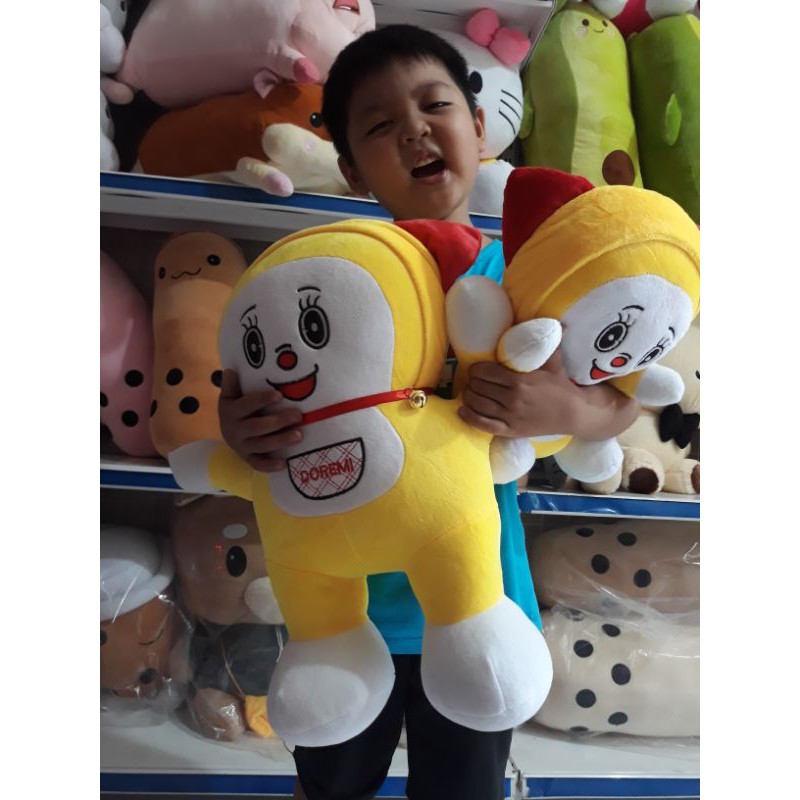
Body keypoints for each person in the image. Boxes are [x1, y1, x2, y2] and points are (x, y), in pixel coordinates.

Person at [218, 25, 639, 800]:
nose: (413, 130)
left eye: (434, 105)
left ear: (478, 127)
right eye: (380, 124)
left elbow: (619, 405)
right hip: (342, 612)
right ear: (350, 166)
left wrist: (567, 407)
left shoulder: (530, 279)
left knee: (464, 788)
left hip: (479, 601)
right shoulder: (320, 282)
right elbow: (242, 391)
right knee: (332, 783)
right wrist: (238, 428)